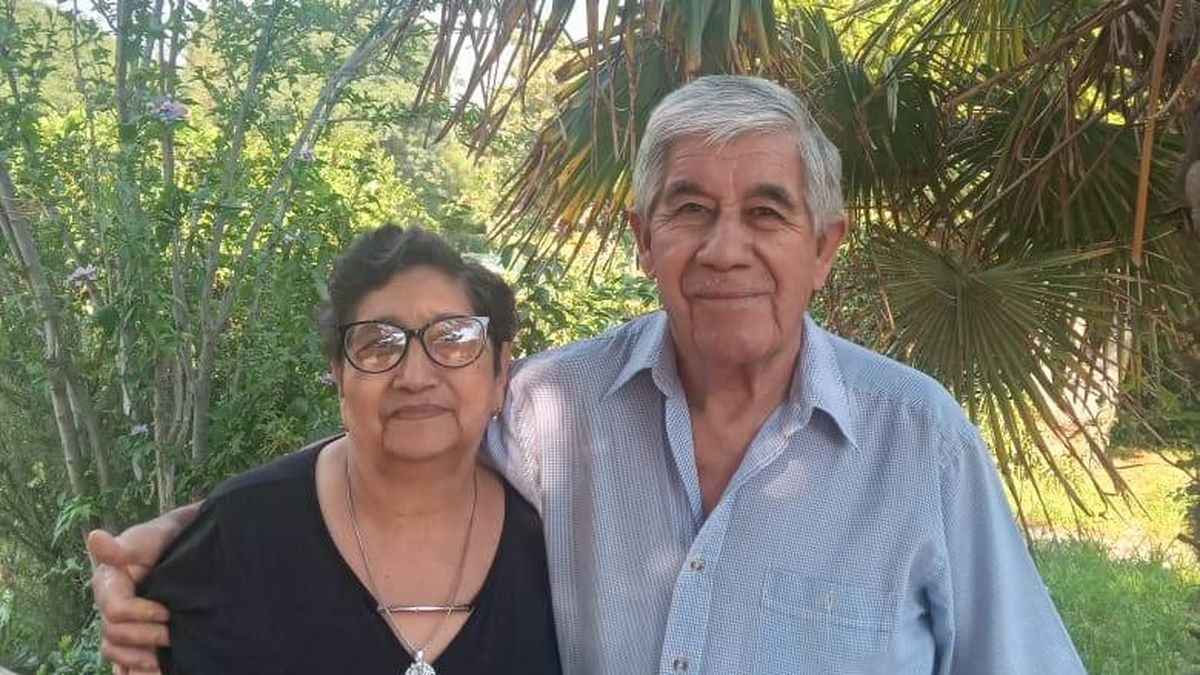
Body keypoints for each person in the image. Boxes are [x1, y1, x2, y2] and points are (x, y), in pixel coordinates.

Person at [90, 75, 1084, 674]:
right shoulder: (554, 409)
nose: (725, 247)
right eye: (690, 210)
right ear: (644, 238)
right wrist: (180, 537)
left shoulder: (920, 446)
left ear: (824, 247)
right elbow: (407, 432)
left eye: (767, 213)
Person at [109, 225, 561, 674]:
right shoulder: (239, 541)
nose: (416, 376)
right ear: (340, 376)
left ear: (500, 372)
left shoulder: (551, 548)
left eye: (453, 338)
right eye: (379, 345)